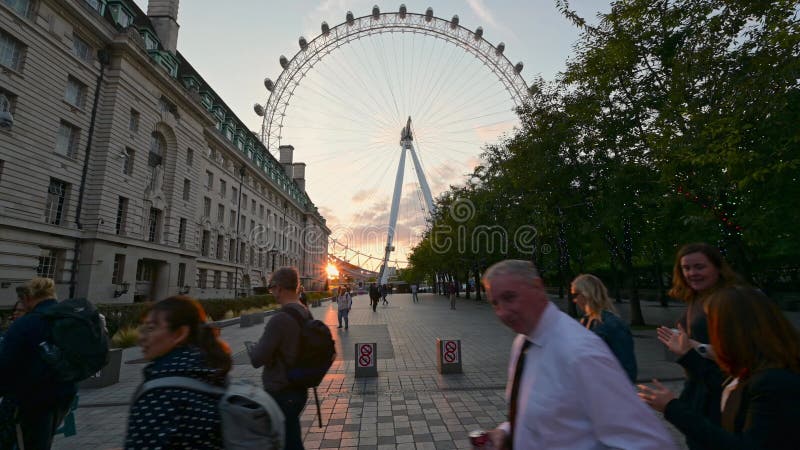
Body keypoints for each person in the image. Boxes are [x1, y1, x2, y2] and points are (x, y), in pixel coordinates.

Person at [482, 260, 678, 450]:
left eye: (509, 297)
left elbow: (649, 442)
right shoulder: (523, 342)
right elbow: (540, 417)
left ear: (537, 286)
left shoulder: (580, 353)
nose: (502, 313)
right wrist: (506, 432)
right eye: (495, 303)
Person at [639, 286, 800, 450]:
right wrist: (687, 354)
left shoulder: (773, 381)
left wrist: (672, 408)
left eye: (713, 325)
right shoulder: (755, 367)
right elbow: (719, 383)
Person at [657, 243, 740, 450]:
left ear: (717, 267)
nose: (692, 273)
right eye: (686, 268)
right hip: (699, 387)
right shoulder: (697, 299)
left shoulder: (728, 300)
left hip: (721, 389)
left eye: (699, 267)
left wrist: (694, 347)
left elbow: (739, 352)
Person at [125, 296, 232, 449]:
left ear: (179, 333)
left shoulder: (161, 393)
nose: (141, 338)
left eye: (150, 328)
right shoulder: (210, 370)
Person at [0, 278, 76, 450]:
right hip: (63, 395)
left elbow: (4, 366)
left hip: (28, 400)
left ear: (27, 298)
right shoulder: (66, 319)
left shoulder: (25, 324)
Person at [249, 267, 310, 450]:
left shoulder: (280, 319)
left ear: (279, 287)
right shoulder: (305, 312)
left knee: (287, 443)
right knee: (291, 438)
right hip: (299, 388)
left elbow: (257, 359)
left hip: (281, 390)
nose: (272, 293)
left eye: (271, 288)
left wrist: (253, 350)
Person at [571, 274, 638, 382]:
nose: (574, 300)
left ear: (586, 293)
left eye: (575, 295)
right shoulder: (586, 320)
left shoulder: (613, 324)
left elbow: (627, 370)